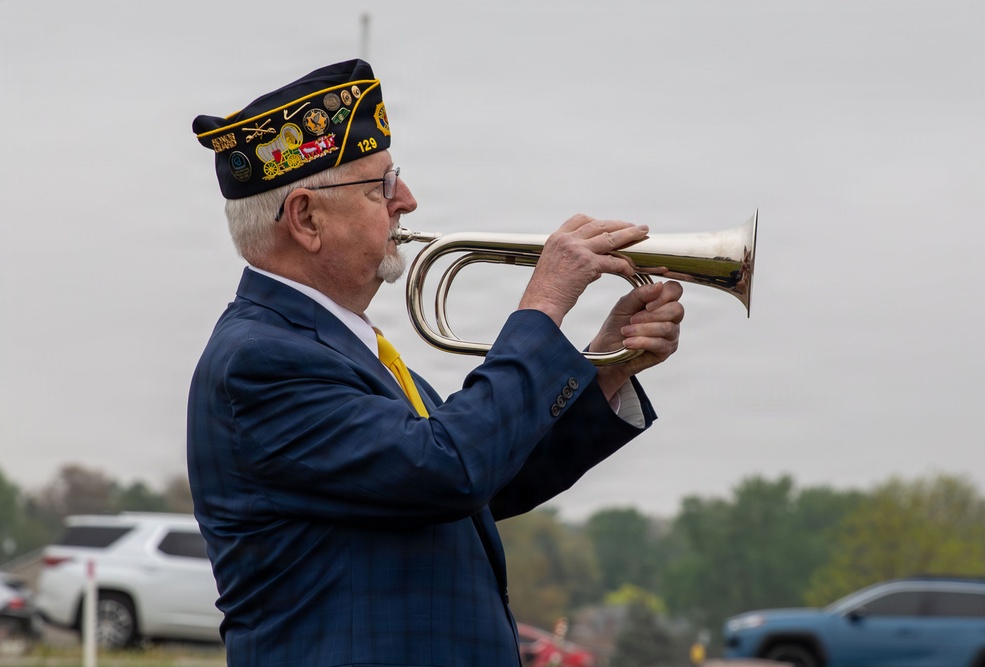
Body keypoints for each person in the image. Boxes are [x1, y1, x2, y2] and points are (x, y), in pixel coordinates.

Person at [188, 59, 684, 666]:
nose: (407, 201)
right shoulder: (264, 361)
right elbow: (448, 470)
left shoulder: (342, 350)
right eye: (379, 187)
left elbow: (487, 479)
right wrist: (543, 306)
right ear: (307, 218)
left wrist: (604, 367)